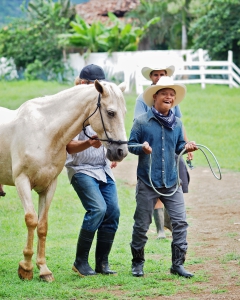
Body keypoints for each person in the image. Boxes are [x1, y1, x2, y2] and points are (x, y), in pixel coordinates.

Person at [128, 76, 198, 278]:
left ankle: (177, 265)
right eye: (165, 93)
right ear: (155, 97)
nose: (169, 97)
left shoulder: (177, 124)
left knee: (180, 222)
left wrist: (186, 146)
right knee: (141, 225)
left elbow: (177, 147)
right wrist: (142, 147)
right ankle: (137, 263)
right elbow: (130, 145)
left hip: (172, 182)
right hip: (147, 182)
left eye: (172, 95)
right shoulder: (141, 122)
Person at [65, 64, 119, 277]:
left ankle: (102, 264)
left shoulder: (102, 107)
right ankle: (80, 262)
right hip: (81, 169)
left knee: (113, 212)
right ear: (85, 84)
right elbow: (69, 146)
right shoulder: (74, 111)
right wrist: (89, 144)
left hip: (103, 169)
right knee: (97, 209)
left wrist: (111, 154)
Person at [134, 65, 192, 239]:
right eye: (156, 75)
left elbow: (179, 125)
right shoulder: (142, 101)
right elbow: (139, 127)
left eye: (162, 74)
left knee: (177, 181)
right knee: (155, 186)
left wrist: (187, 145)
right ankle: (160, 228)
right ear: (151, 78)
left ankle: (170, 223)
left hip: (171, 151)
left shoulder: (172, 104)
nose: (159, 77)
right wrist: (144, 146)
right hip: (153, 154)